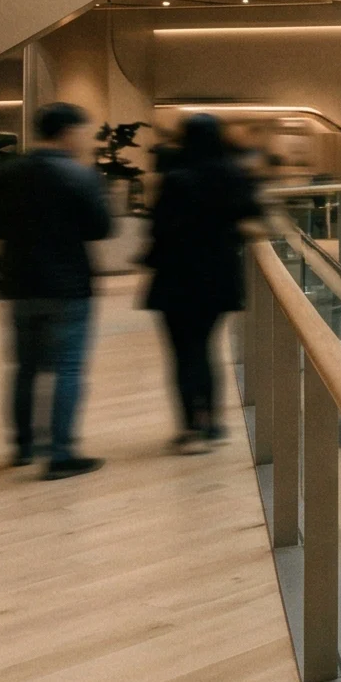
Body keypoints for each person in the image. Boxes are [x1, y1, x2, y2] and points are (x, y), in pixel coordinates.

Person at [0, 102, 114, 479]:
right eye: (82, 132)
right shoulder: (81, 176)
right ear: (68, 132)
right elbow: (100, 228)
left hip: (20, 283)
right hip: (68, 285)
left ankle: (23, 446)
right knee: (68, 367)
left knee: (24, 368)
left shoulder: (8, 174)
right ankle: (61, 453)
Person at [142, 113, 260, 454]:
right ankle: (213, 425)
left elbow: (157, 227)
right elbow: (251, 215)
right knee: (206, 349)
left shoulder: (174, 177)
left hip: (174, 277)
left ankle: (189, 427)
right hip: (217, 276)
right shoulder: (232, 174)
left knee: (181, 354)